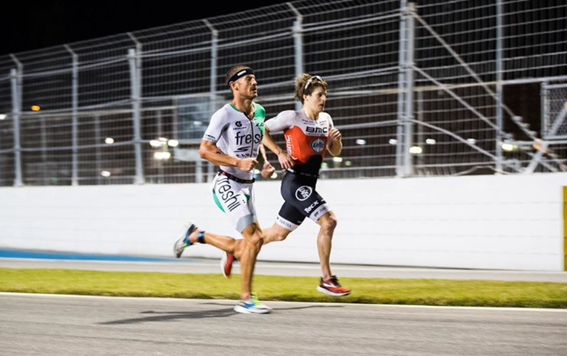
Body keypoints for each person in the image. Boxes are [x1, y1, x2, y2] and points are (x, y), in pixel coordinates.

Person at [222, 74, 351, 297]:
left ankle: (237, 251)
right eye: (319, 95)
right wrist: (279, 152)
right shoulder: (292, 117)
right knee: (328, 221)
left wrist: (337, 141)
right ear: (306, 96)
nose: (324, 99)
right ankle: (327, 279)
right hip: (294, 183)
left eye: (325, 95)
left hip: (308, 184)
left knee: (277, 234)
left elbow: (334, 151)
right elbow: (259, 130)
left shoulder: (326, 119)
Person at [173, 64, 275, 314]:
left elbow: (255, 142)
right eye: (249, 79)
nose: (255, 83)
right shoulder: (223, 115)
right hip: (226, 183)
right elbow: (205, 150)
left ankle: (197, 235)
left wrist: (263, 165)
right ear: (234, 86)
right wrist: (237, 162)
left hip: (249, 185)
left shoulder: (259, 111)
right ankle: (246, 299)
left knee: (252, 244)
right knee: (253, 239)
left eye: (255, 79)